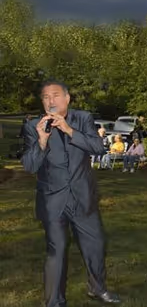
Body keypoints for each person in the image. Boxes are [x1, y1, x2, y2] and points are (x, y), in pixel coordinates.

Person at [21, 81, 120, 307]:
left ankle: (97, 288)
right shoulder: (34, 126)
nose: (50, 101)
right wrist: (42, 141)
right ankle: (55, 302)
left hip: (83, 196)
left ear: (67, 99)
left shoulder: (82, 118)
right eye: (46, 97)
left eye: (55, 95)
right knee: (56, 251)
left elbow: (98, 148)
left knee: (95, 245)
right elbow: (29, 166)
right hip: (52, 200)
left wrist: (68, 130)